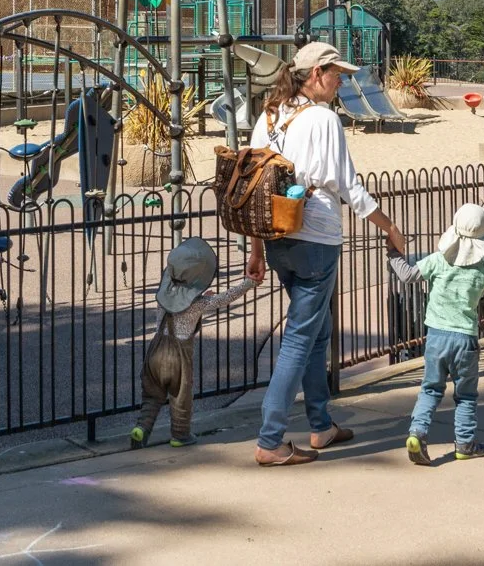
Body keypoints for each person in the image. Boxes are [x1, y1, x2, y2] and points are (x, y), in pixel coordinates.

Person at [246, 40, 409, 467]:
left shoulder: (268, 117)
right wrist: (390, 227)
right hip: (315, 238)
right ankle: (271, 439)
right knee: (301, 335)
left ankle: (320, 425)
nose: (341, 82)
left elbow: (256, 190)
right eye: (337, 74)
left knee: (318, 331)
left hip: (277, 236)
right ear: (316, 74)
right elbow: (348, 187)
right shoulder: (322, 119)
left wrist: (257, 250)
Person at [130, 238, 257, 449]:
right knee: (181, 397)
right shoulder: (197, 305)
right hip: (179, 358)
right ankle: (180, 435)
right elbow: (223, 299)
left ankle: (141, 429)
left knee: (152, 395)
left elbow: (178, 297)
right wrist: (248, 283)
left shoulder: (163, 294)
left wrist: (196, 296)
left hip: (155, 353)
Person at [403, 203, 484, 465]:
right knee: (466, 395)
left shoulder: (437, 261)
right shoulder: (483, 271)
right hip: (465, 339)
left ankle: (418, 432)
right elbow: (477, 298)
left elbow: (408, 274)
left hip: (436, 337)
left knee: (431, 389)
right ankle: (465, 444)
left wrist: (393, 253)